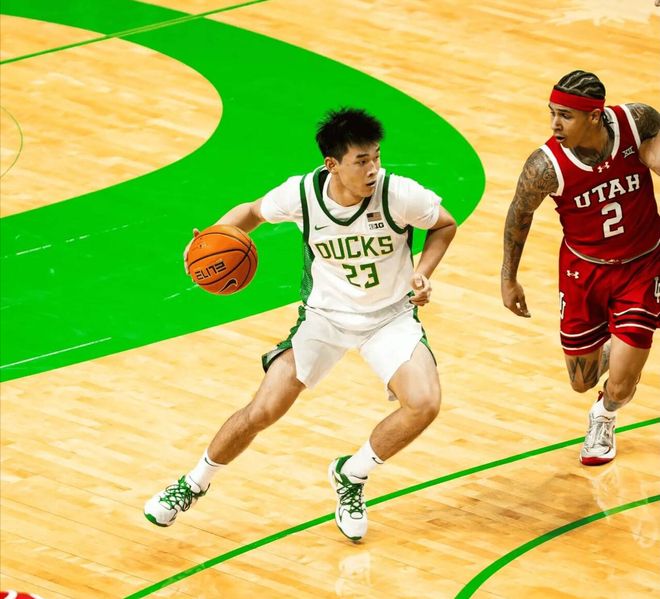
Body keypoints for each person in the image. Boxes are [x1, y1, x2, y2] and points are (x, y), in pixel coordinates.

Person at [144, 108, 457, 541]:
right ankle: (193, 483)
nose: (372, 169)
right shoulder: (302, 195)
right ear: (332, 164)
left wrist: (423, 272)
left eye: (376, 157)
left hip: (389, 317)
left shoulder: (398, 193)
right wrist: (208, 239)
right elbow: (251, 212)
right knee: (263, 410)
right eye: (361, 161)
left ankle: (352, 474)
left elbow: (444, 224)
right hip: (324, 318)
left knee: (424, 403)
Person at [501, 70, 659, 466]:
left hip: (642, 267)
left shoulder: (636, 121)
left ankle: (604, 416)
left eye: (565, 116)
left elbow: (656, 137)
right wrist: (508, 279)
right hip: (583, 272)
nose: (554, 124)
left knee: (619, 384)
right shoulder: (545, 165)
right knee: (580, 381)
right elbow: (519, 214)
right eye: (552, 113)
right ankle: (611, 346)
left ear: (594, 116)